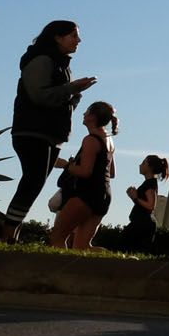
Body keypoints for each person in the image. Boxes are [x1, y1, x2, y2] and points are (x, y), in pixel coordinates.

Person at [0, 21, 96, 242]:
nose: (78, 40)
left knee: (34, 183)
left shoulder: (62, 65)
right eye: (73, 35)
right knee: (32, 181)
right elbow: (40, 95)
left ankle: (11, 232)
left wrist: (76, 95)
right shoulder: (42, 60)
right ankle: (8, 234)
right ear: (57, 37)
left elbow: (61, 102)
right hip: (33, 131)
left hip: (51, 134)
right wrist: (73, 88)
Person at [48, 101, 116, 250]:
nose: (84, 114)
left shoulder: (90, 140)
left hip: (86, 194)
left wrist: (66, 165)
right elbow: (111, 172)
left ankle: (56, 271)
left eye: (87, 111)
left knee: (57, 238)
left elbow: (85, 172)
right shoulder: (109, 140)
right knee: (82, 247)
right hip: (103, 195)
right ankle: (121, 263)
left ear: (93, 117)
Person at [118, 154, 168, 253]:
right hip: (141, 223)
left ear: (150, 167)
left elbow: (150, 206)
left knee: (125, 245)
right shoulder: (149, 183)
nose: (140, 165)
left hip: (143, 224)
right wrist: (134, 198)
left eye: (144, 163)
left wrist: (136, 198)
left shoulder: (150, 184)